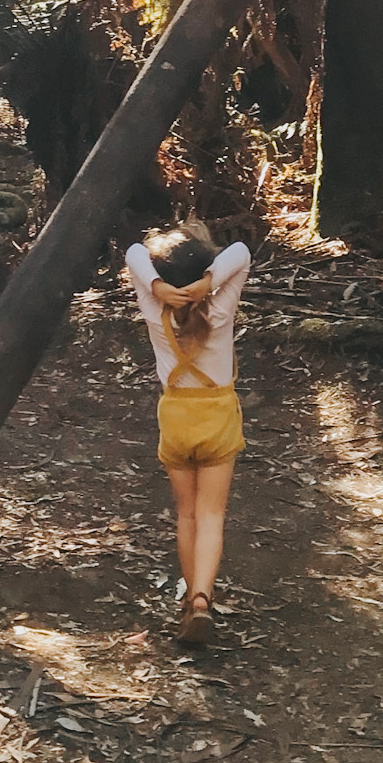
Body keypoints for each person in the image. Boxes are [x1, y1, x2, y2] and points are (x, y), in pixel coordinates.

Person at [124, 220, 251, 649]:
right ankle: (201, 601)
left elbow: (133, 253)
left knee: (187, 515)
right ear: (203, 269)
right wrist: (208, 284)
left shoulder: (155, 310)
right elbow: (240, 250)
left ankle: (186, 602)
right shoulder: (220, 307)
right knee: (212, 515)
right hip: (218, 416)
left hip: (176, 416)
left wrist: (158, 287)